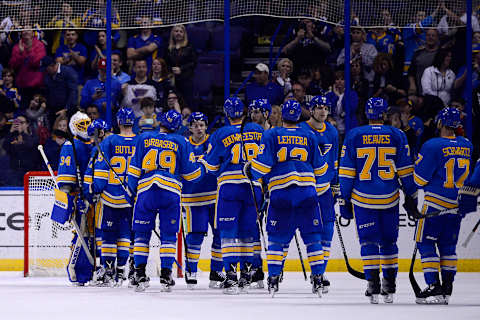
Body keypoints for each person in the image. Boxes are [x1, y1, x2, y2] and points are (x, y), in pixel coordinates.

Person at [244, 99, 331, 297]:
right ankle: (318, 278)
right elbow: (321, 169)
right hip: (308, 192)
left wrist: (250, 171)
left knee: (276, 238)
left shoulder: (272, 134)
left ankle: (274, 278)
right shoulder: (309, 135)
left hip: (281, 193)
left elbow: (262, 166)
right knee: (313, 237)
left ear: (282, 115)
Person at [338, 97, 417, 304]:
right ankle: (389, 286)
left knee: (368, 242)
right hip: (389, 199)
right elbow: (406, 171)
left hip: (363, 200)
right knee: (389, 242)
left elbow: (346, 173)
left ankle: (372, 285)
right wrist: (411, 195)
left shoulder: (354, 135)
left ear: (366, 113)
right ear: (385, 115)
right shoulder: (397, 134)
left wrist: (344, 199)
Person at [127, 109, 203, 292]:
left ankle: (139, 273)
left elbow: (133, 171)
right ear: (177, 127)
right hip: (170, 191)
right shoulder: (181, 141)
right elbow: (192, 175)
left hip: (146, 190)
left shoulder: (144, 138)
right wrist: (203, 167)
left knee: (141, 235)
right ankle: (166, 275)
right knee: (168, 235)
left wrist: (131, 191)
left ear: (160, 122)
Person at [202, 97, 264, 294]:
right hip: (253, 186)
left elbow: (211, 167)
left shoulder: (220, 133)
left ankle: (230, 277)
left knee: (228, 233)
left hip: (229, 186)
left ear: (227, 114)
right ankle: (246, 276)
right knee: (247, 232)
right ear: (244, 113)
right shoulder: (258, 131)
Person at [413, 107, 473, 304]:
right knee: (448, 247)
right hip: (456, 207)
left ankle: (433, 286)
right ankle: (447, 288)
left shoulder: (432, 145)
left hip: (434, 207)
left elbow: (419, 179)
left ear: (440, 123)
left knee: (426, 243)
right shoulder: (467, 145)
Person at [86, 108, 138, 287]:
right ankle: (125, 272)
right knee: (128, 235)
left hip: (110, 196)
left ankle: (109, 272)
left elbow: (100, 173)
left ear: (118, 122)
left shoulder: (109, 141)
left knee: (108, 234)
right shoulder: (141, 140)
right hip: (133, 197)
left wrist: (94, 189)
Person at [299, 95, 339, 293]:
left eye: (326, 107)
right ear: (311, 109)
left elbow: (334, 161)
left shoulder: (332, 131)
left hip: (324, 189)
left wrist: (336, 184)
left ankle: (319, 273)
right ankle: (276, 272)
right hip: (304, 188)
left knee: (328, 230)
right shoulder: (302, 130)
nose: (323, 111)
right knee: (309, 232)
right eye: (319, 107)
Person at [182, 112, 225, 289]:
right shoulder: (184, 145)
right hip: (193, 199)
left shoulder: (214, 141)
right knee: (195, 236)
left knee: (220, 235)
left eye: (202, 124)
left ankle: (216, 271)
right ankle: (191, 270)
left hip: (215, 196)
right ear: (190, 127)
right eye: (195, 125)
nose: (199, 128)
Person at [56, 111, 93, 285]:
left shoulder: (95, 144)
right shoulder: (70, 145)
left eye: (87, 124)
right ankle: (77, 270)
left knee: (95, 234)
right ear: (73, 127)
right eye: (81, 125)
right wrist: (70, 200)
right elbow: (65, 180)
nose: (85, 129)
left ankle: (94, 271)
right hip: (80, 197)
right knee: (82, 234)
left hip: (95, 197)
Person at [9, 28, 46, 108]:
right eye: (24, 29)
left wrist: (28, 51)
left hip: (36, 85)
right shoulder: (17, 47)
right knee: (23, 110)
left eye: (28, 29)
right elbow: (13, 65)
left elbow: (37, 63)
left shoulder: (39, 45)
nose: (26, 31)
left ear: (33, 33)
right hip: (22, 86)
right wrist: (20, 54)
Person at [165, 25, 197, 108]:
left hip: (186, 79)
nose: (178, 33)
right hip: (172, 80)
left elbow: (193, 63)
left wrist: (181, 69)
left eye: (180, 31)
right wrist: (170, 70)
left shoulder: (189, 47)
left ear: (184, 34)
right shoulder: (168, 48)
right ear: (172, 33)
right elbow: (165, 63)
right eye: (176, 31)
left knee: (186, 104)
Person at [2, 114, 39, 185]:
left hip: (29, 172)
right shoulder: (12, 137)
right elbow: (5, 147)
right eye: (16, 122)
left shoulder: (33, 136)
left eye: (21, 122)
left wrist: (22, 132)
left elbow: (30, 145)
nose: (18, 125)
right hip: (14, 172)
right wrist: (10, 131)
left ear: (27, 124)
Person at [40, 55, 78, 124]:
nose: (45, 71)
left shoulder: (68, 72)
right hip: (53, 110)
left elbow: (73, 92)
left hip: (67, 109)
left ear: (52, 65)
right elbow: (47, 92)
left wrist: (66, 109)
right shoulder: (47, 76)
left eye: (46, 69)